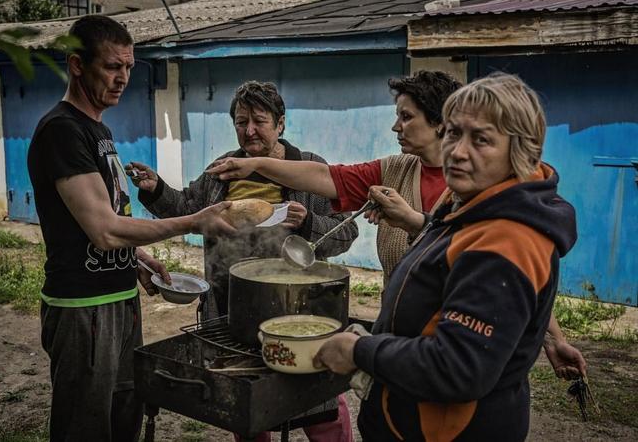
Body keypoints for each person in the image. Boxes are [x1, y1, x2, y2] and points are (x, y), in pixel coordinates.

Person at [208, 71, 587, 381]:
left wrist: (361, 349)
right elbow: (326, 176)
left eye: (407, 116)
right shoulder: (400, 169)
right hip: (404, 355)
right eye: (457, 134)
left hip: (434, 375)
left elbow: (499, 281)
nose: (395, 126)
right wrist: (255, 165)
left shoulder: (486, 199)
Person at [312, 72, 578, 440]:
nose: (458, 151)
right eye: (453, 133)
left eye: (481, 139)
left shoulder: (505, 238)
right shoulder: (475, 207)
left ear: (522, 150)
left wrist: (361, 350)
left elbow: (458, 367)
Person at [27, 15, 235, 442]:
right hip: (84, 308)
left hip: (119, 298)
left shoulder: (98, 130)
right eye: (111, 67)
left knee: (125, 414)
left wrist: (134, 255)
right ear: (77, 65)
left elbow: (100, 220)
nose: (123, 78)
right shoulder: (62, 132)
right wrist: (195, 221)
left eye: (129, 67)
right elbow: (104, 231)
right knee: (86, 426)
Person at [127, 80, 357, 442]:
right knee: (249, 405)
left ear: (280, 124)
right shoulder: (222, 170)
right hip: (233, 310)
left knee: (320, 406)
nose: (249, 130)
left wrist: (310, 223)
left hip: (296, 309)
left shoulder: (309, 169)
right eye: (240, 121)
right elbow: (187, 208)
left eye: (259, 121)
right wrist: (155, 188)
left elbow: (346, 234)